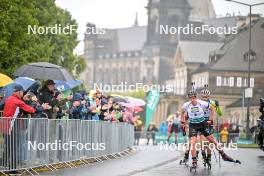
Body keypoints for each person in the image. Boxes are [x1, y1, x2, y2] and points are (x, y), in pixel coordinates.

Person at [180, 90, 240, 169]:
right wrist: (182, 122)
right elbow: (182, 112)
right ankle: (194, 161)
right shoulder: (186, 105)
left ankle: (223, 155)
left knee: (212, 141)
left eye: (193, 98)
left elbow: (213, 109)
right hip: (193, 125)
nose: (192, 100)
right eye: (190, 98)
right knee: (192, 141)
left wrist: (210, 119)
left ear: (196, 97)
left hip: (203, 124)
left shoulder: (203, 103)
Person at [1, 84, 36, 169]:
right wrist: (34, 102)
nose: (23, 93)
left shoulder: (9, 98)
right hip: (12, 126)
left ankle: (4, 164)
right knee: (14, 147)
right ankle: (12, 169)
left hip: (5, 125)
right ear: (19, 92)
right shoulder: (18, 101)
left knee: (8, 146)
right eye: (22, 92)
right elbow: (31, 110)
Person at [199, 87, 223, 166]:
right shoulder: (198, 103)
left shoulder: (212, 103)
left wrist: (218, 106)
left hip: (209, 122)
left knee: (210, 141)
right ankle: (203, 155)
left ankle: (209, 157)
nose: (205, 98)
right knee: (203, 140)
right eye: (203, 97)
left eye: (207, 97)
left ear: (209, 96)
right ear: (201, 96)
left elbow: (220, 113)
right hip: (201, 122)